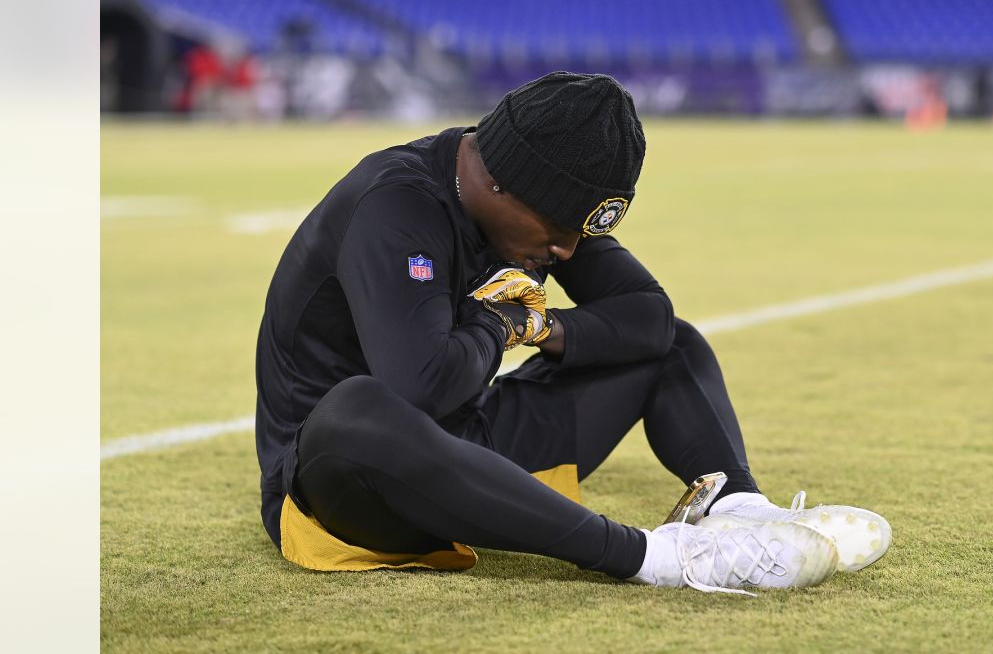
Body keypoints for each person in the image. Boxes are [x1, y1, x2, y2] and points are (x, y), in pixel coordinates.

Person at [254, 72, 892, 594]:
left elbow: (649, 314)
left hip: (465, 443)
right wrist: (498, 322)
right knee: (357, 408)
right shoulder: (398, 203)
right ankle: (661, 558)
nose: (564, 249)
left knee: (670, 346)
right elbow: (417, 386)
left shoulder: (540, 212)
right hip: (346, 479)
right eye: (559, 227)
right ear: (498, 179)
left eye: (580, 232)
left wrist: (541, 324)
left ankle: (740, 517)